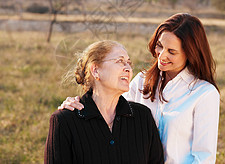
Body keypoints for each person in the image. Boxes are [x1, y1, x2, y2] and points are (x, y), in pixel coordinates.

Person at [58, 13, 220, 163]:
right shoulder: (141, 81)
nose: (162, 56)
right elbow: (109, 112)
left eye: (171, 51)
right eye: (159, 46)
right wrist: (77, 105)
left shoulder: (204, 94)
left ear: (190, 54)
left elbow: (204, 157)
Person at [45, 40, 164, 163]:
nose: (128, 68)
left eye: (129, 63)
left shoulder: (143, 116)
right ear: (95, 70)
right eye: (120, 61)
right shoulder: (64, 121)